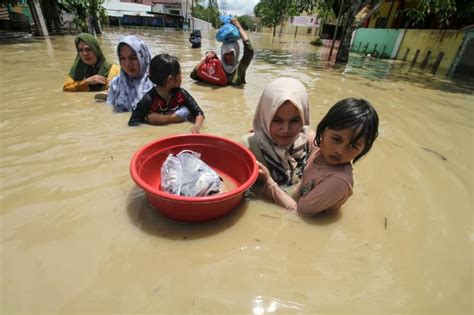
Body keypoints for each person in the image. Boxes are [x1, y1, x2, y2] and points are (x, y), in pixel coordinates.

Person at [258, 98, 379, 215]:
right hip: (300, 194)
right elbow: (303, 132)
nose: (340, 151)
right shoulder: (320, 147)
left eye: (353, 146)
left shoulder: (337, 182)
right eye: (336, 139)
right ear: (323, 131)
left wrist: (269, 182)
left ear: (363, 149)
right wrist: (266, 133)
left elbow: (299, 213)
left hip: (311, 216)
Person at [241, 77, 314, 196]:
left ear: (304, 117)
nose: (285, 129)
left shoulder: (310, 144)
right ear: (265, 117)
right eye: (277, 120)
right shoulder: (247, 148)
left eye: (295, 120)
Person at [128, 54, 205, 134]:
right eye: (180, 74)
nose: (182, 77)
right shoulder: (148, 99)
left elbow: (198, 113)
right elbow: (133, 122)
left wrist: (197, 126)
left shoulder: (181, 94)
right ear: (171, 79)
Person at [190, 18, 254, 86]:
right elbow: (194, 76)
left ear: (236, 53)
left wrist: (239, 27)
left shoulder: (239, 69)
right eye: (225, 54)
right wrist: (206, 60)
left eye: (231, 54)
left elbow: (250, 51)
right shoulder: (216, 66)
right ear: (222, 53)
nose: (228, 57)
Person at [106, 35, 154, 112]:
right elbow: (108, 111)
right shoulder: (115, 83)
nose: (128, 64)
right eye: (122, 58)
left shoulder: (157, 83)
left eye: (133, 58)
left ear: (143, 57)